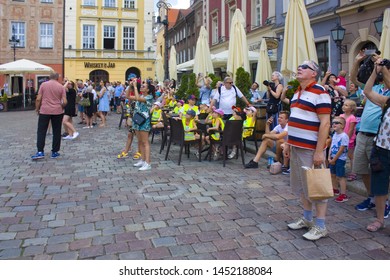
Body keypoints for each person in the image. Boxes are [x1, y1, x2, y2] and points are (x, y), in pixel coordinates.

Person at [284, 60, 331, 241]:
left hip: (311, 148)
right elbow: (293, 120)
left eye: (304, 67)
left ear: (314, 73)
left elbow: (325, 123)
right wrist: (288, 142)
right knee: (303, 186)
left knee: (316, 185)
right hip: (296, 146)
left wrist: (319, 151)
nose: (299, 68)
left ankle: (320, 226)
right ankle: (307, 218)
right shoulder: (297, 93)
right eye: (299, 66)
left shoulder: (320, 92)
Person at [350, 50, 390, 216]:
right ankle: (372, 197)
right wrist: (357, 62)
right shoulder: (375, 87)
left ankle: (385, 201)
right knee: (362, 169)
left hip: (379, 138)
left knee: (381, 172)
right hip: (363, 133)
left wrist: (383, 67)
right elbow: (354, 80)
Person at [362, 58, 390, 231]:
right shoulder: (386, 102)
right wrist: (375, 70)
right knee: (379, 186)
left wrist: (384, 70)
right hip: (381, 150)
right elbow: (367, 91)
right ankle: (380, 220)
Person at [32, 72, 67, 160]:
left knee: (41, 131)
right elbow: (65, 101)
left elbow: (38, 98)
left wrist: (37, 109)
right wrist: (61, 106)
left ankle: (40, 151)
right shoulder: (61, 87)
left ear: (49, 77)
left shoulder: (43, 85)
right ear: (57, 78)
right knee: (56, 131)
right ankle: (55, 152)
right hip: (57, 111)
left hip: (45, 110)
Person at [129, 80, 155, 171]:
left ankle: (148, 163)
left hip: (144, 121)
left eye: (144, 86)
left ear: (148, 90)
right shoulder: (141, 96)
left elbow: (136, 98)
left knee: (145, 142)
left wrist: (135, 87)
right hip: (137, 120)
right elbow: (127, 96)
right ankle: (143, 160)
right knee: (140, 141)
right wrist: (130, 86)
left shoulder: (149, 97)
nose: (141, 87)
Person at [328, 116, 349, 202]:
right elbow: (331, 146)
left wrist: (334, 159)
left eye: (337, 123)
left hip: (340, 159)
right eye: (333, 122)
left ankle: (343, 194)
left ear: (343, 125)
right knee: (332, 174)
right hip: (333, 157)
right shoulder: (334, 134)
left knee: (340, 176)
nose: (334, 124)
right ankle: (335, 188)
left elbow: (341, 149)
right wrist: (329, 157)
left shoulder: (344, 136)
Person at [340, 99, 357, 181]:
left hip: (349, 140)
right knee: (341, 155)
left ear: (351, 108)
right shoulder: (341, 116)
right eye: (344, 104)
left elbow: (350, 130)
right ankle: (341, 170)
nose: (344, 106)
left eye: (346, 105)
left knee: (350, 156)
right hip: (341, 139)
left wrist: (346, 139)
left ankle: (353, 172)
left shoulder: (352, 118)